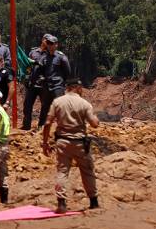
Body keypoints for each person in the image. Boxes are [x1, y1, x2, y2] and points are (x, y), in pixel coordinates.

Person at [43, 78, 100, 214]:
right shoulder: (84, 103)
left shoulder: (57, 102)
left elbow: (47, 123)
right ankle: (93, 202)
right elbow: (94, 124)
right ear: (78, 88)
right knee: (87, 171)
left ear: (67, 87)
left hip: (62, 142)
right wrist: (95, 118)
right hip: (80, 142)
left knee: (62, 172)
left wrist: (45, 142)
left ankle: (61, 204)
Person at [23, 34, 71, 130]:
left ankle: (63, 127)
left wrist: (61, 82)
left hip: (57, 86)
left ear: (56, 45)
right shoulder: (44, 57)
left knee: (60, 106)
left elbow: (67, 72)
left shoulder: (61, 57)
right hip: (46, 86)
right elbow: (38, 70)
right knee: (45, 107)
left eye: (52, 43)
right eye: (48, 43)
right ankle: (41, 126)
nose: (49, 45)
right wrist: (30, 80)